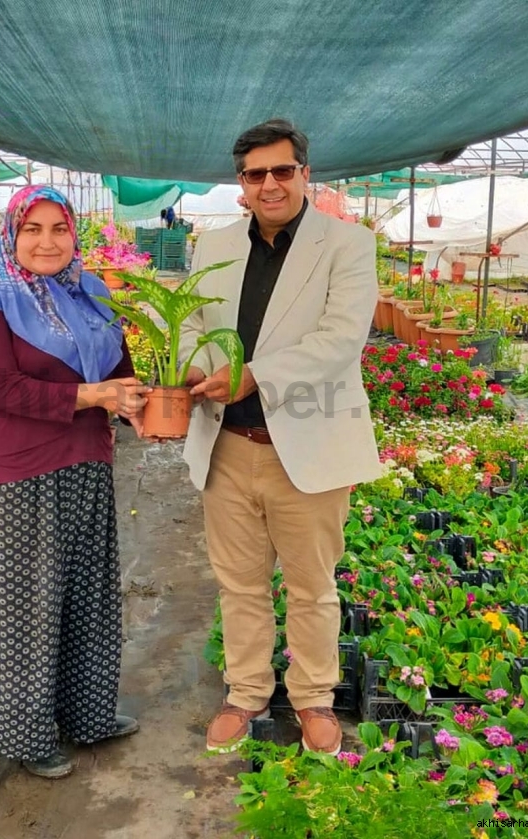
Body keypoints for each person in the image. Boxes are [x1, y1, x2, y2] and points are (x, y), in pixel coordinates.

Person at [178, 119, 381, 755]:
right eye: (255, 174)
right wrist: (190, 368)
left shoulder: (347, 244)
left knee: (311, 585)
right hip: (228, 447)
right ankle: (246, 693)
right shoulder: (213, 246)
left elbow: (340, 339)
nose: (269, 184)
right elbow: (189, 324)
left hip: (308, 448)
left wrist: (252, 376)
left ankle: (314, 697)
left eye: (282, 171)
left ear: (304, 174)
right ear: (241, 182)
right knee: (239, 584)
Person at [0, 185, 150, 779]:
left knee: (87, 594)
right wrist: (94, 396)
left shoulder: (90, 291)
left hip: (86, 458)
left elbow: (118, 367)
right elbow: (3, 391)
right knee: (26, 606)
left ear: (74, 234)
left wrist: (144, 405)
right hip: (22, 468)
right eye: (33, 229)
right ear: (11, 234)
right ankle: (27, 735)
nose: (48, 242)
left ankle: (88, 715)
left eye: (59, 228)